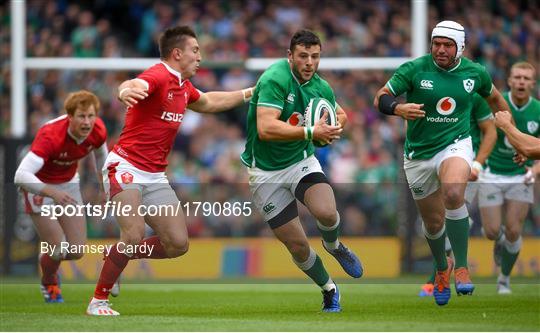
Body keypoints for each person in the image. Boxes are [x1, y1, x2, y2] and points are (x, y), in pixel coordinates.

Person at [86, 26, 254, 316]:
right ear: (177, 53)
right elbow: (132, 84)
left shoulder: (183, 86)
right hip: (125, 165)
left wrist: (252, 92)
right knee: (134, 232)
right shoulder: (159, 75)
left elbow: (211, 101)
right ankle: (98, 300)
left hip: (154, 175)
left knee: (177, 244)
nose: (200, 56)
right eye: (195, 50)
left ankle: (113, 256)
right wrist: (126, 90)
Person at [374, 20, 510, 306]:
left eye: (447, 45)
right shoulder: (414, 69)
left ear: (460, 47)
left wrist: (514, 135)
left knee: (453, 192)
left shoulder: (476, 73)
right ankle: (441, 268)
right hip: (418, 155)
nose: (440, 49)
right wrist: (398, 108)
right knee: (433, 223)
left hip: (455, 144)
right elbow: (381, 98)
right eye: (436, 43)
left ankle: (461, 265)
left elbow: (497, 100)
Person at [241, 29, 363, 313]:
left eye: (315, 56)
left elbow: (341, 115)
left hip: (300, 163)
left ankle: (334, 246)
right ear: (290, 56)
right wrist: (311, 131)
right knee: (297, 245)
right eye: (304, 56)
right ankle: (329, 288)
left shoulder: (321, 87)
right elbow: (266, 128)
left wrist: (332, 130)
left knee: (327, 212)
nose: (310, 62)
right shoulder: (274, 78)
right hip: (265, 173)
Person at [14, 90, 108, 303]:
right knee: (59, 248)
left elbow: (102, 156)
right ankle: (49, 280)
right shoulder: (51, 136)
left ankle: (46, 259)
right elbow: (21, 175)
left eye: (91, 116)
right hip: (39, 186)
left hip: (68, 184)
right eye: (81, 116)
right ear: (70, 117)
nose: (87, 122)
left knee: (76, 250)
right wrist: (51, 192)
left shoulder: (98, 130)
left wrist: (105, 188)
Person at [419, 93, 497, 297]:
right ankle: (445, 268)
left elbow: (491, 131)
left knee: (454, 207)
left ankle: (447, 273)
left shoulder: (473, 95)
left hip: (465, 164)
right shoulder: (431, 91)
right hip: (434, 160)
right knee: (434, 220)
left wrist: (478, 164)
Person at [478, 61, 540, 294]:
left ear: (533, 84)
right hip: (492, 173)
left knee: (515, 230)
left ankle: (503, 278)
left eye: (526, 78)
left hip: (520, 177)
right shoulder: (494, 101)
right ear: (510, 80)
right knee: (492, 231)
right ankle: (499, 238)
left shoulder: (538, 111)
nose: (522, 82)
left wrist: (533, 171)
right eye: (518, 77)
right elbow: (481, 130)